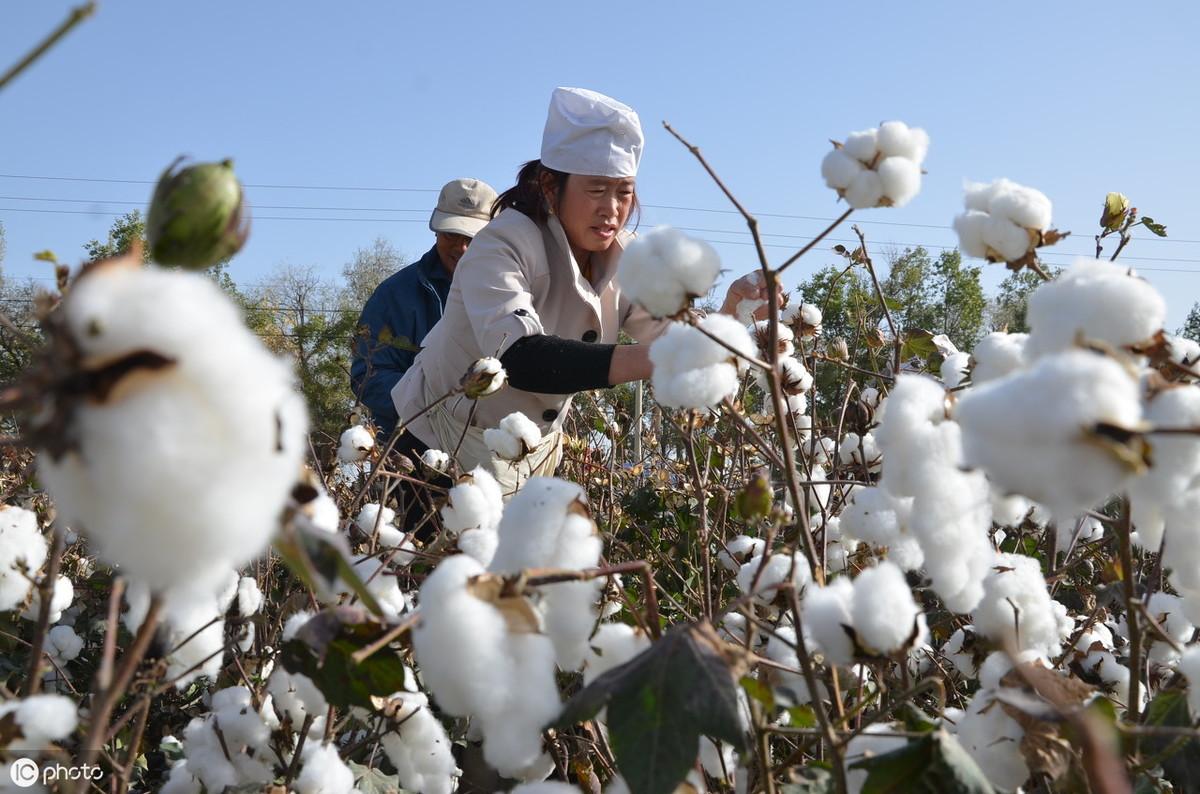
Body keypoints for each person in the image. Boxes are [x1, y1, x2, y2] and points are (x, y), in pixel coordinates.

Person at [390, 87, 772, 496]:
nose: (611, 209)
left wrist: (735, 310)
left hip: (529, 455)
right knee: (431, 561)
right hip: (437, 448)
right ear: (551, 187)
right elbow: (517, 357)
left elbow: (680, 340)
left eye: (623, 192)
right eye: (595, 190)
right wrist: (658, 358)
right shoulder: (502, 244)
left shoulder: (627, 257)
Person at [350, 177, 498, 436]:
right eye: (451, 235)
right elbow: (367, 377)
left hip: (492, 443)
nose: (461, 248)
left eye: (472, 239)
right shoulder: (394, 295)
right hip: (411, 447)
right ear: (436, 230)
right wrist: (434, 403)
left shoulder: (512, 293)